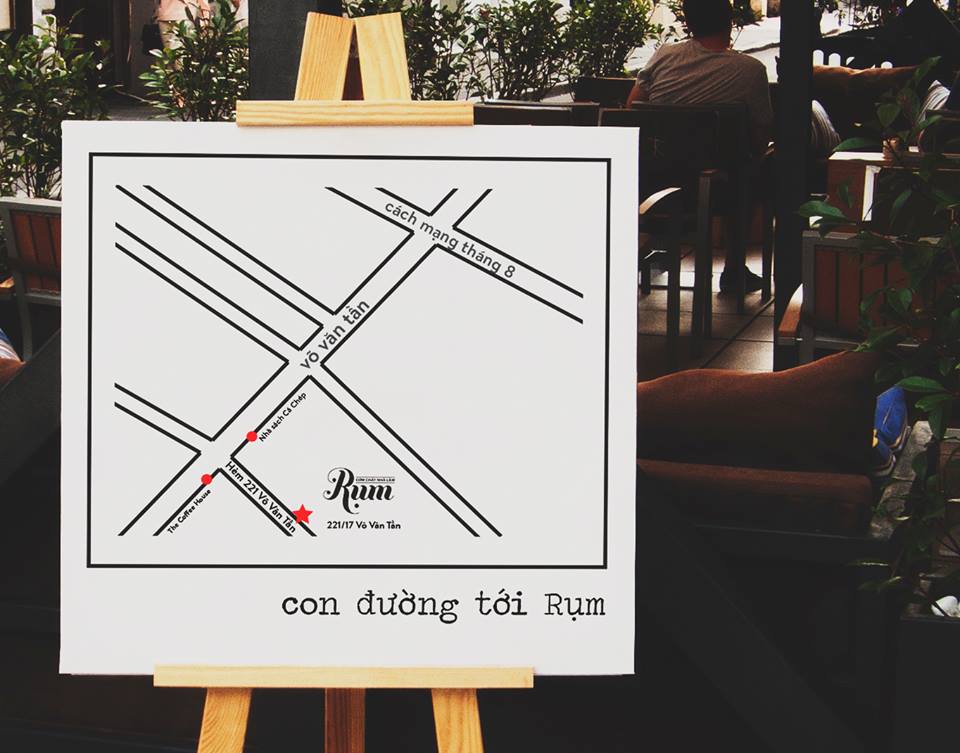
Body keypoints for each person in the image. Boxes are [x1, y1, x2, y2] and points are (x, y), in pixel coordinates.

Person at [627, 0, 773, 292]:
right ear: (729, 22)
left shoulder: (664, 56)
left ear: (689, 24)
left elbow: (633, 109)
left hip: (655, 183)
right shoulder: (750, 70)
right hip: (717, 188)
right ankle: (734, 269)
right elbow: (760, 138)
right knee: (754, 167)